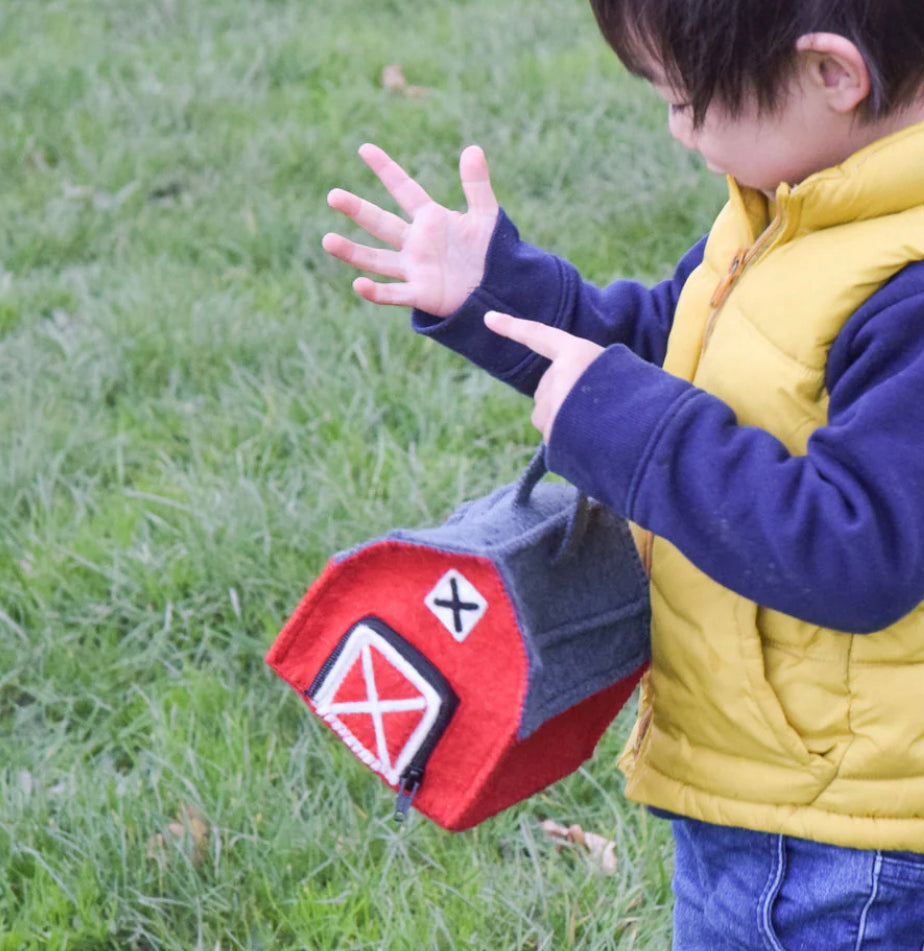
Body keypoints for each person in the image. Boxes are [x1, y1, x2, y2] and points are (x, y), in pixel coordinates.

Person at [321, 1, 924, 946]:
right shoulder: (802, 204)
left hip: (850, 844)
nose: (677, 130)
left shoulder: (908, 284)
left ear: (832, 75)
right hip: (773, 786)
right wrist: (499, 294)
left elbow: (860, 544)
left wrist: (633, 433)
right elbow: (670, 346)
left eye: (685, 101)